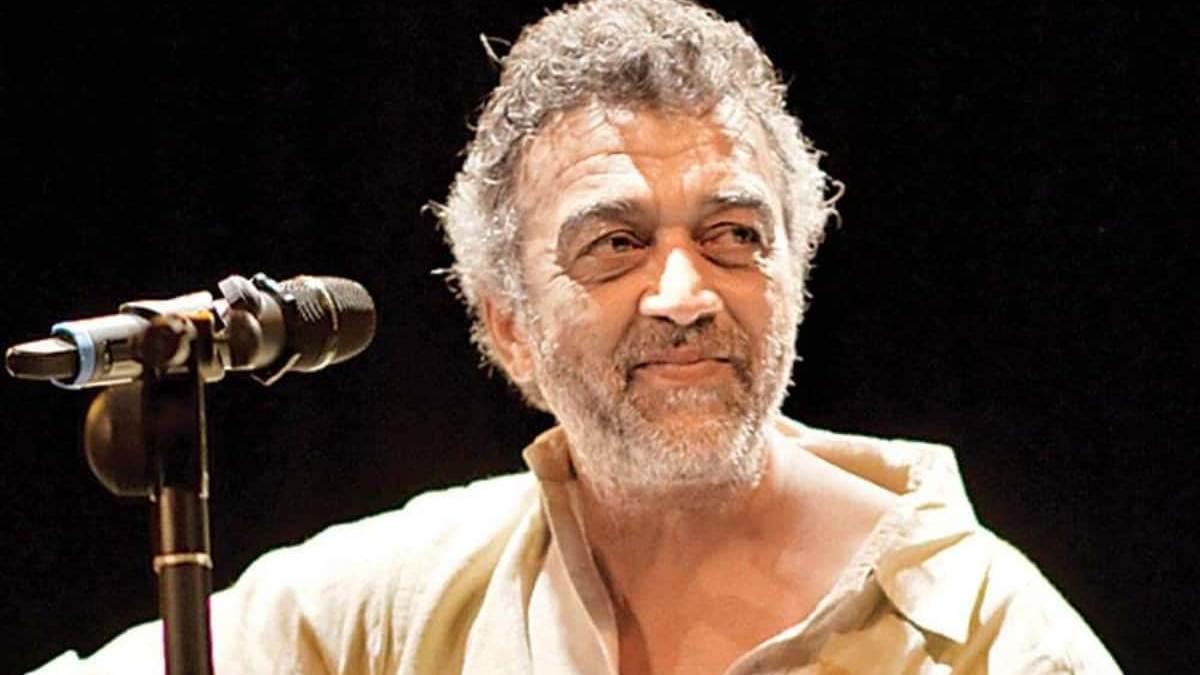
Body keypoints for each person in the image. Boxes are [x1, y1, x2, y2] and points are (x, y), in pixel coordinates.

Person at [32, 0, 1121, 673]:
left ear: (793, 278)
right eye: (615, 245)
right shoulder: (411, 592)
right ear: (508, 326)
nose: (684, 293)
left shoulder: (989, 637)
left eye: (734, 236)